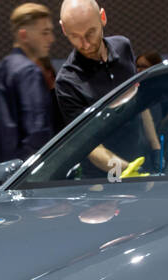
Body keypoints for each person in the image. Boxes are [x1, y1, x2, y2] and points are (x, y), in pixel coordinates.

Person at [54, 0, 159, 177]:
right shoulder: (67, 82)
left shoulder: (123, 46)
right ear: (63, 29)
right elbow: (90, 147)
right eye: (75, 36)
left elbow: (139, 103)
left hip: (143, 163)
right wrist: (128, 172)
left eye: (90, 33)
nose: (85, 44)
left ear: (102, 17)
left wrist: (156, 149)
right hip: (105, 180)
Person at [0, 4, 57, 174]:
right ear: (24, 35)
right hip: (25, 178)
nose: (51, 39)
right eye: (45, 32)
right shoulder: (29, 72)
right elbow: (38, 133)